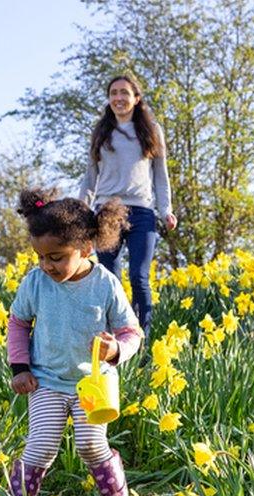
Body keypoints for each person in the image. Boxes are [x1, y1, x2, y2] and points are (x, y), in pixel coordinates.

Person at [2, 187, 144, 496]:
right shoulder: (35, 282)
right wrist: (20, 368)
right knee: (40, 447)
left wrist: (116, 351)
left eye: (56, 257)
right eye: (41, 257)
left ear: (86, 249)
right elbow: (18, 322)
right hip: (47, 381)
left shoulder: (106, 285)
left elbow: (132, 332)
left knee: (91, 447)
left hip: (93, 384)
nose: (47, 266)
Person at [79, 75, 177, 337]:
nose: (118, 98)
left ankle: (140, 339)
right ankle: (114, 337)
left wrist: (166, 209)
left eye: (124, 93)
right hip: (106, 212)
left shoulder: (151, 131)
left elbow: (160, 174)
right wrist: (81, 210)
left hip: (142, 211)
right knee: (109, 279)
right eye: (113, 93)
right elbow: (90, 176)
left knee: (139, 277)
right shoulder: (101, 132)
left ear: (136, 98)